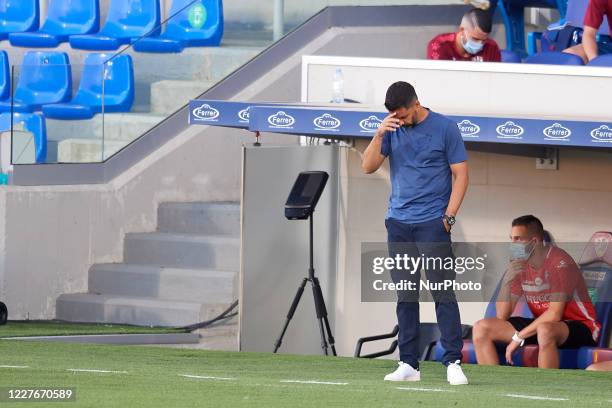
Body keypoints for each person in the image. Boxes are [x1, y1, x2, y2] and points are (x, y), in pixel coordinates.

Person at [362, 81, 470, 385]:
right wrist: (379, 133)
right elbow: (368, 166)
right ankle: (408, 363)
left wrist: (448, 216)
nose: (400, 119)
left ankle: (452, 361)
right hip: (398, 223)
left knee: (442, 293)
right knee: (405, 295)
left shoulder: (445, 128)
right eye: (394, 115)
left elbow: (461, 174)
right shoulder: (391, 129)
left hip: (432, 225)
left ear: (416, 103)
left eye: (403, 113)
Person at [472, 215, 601, 369]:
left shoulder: (559, 262)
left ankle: (546, 389)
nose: (512, 244)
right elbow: (502, 316)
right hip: (543, 324)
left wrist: (518, 337)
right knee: (481, 328)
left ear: (534, 242)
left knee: (545, 329)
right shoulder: (520, 265)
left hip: (581, 327)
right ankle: (493, 387)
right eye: (511, 239)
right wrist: (507, 280)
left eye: (518, 239)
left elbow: (554, 314)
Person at [427, 8, 501, 62]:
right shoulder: (440, 46)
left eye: (484, 40)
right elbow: (438, 78)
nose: (480, 44)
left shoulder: (491, 47)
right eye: (475, 39)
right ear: (462, 30)